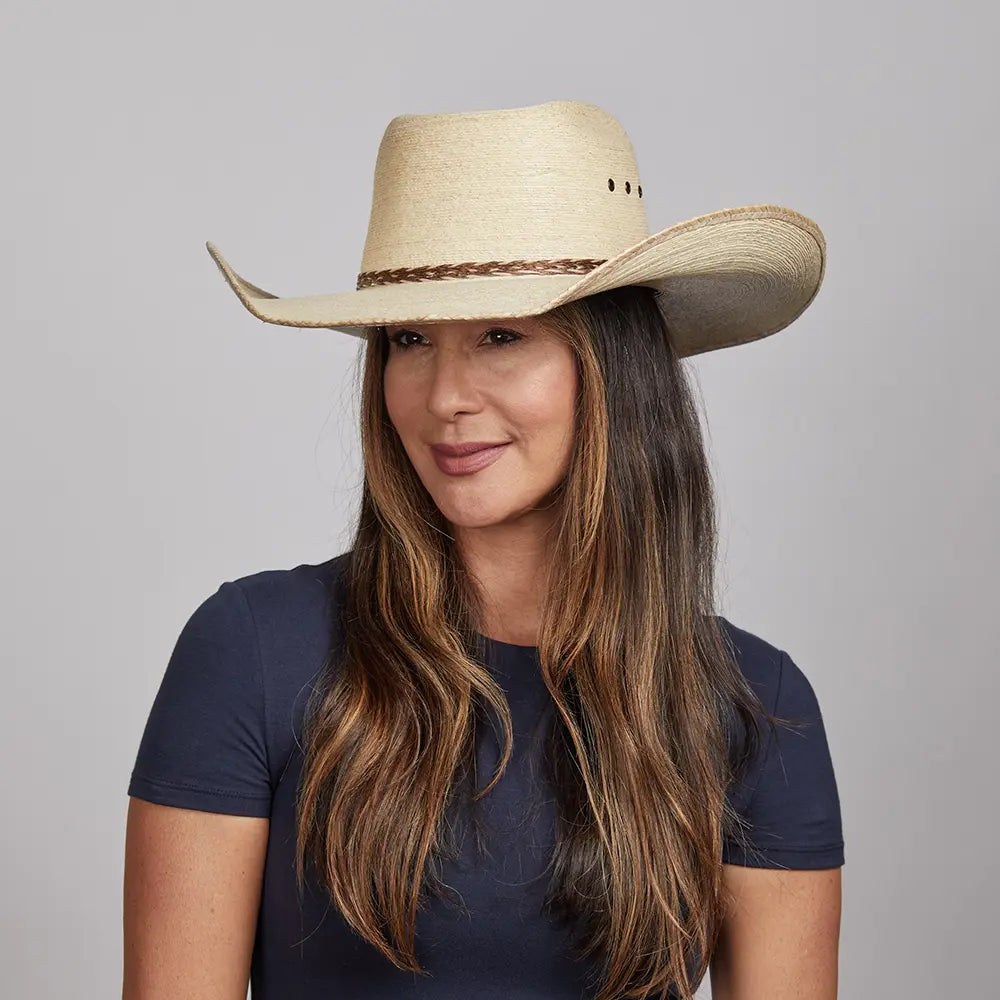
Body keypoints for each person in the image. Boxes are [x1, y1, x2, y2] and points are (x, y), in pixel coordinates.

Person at [123, 99, 844, 1000]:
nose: (445, 396)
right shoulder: (257, 651)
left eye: (502, 336)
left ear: (615, 369)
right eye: (410, 340)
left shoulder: (751, 706)